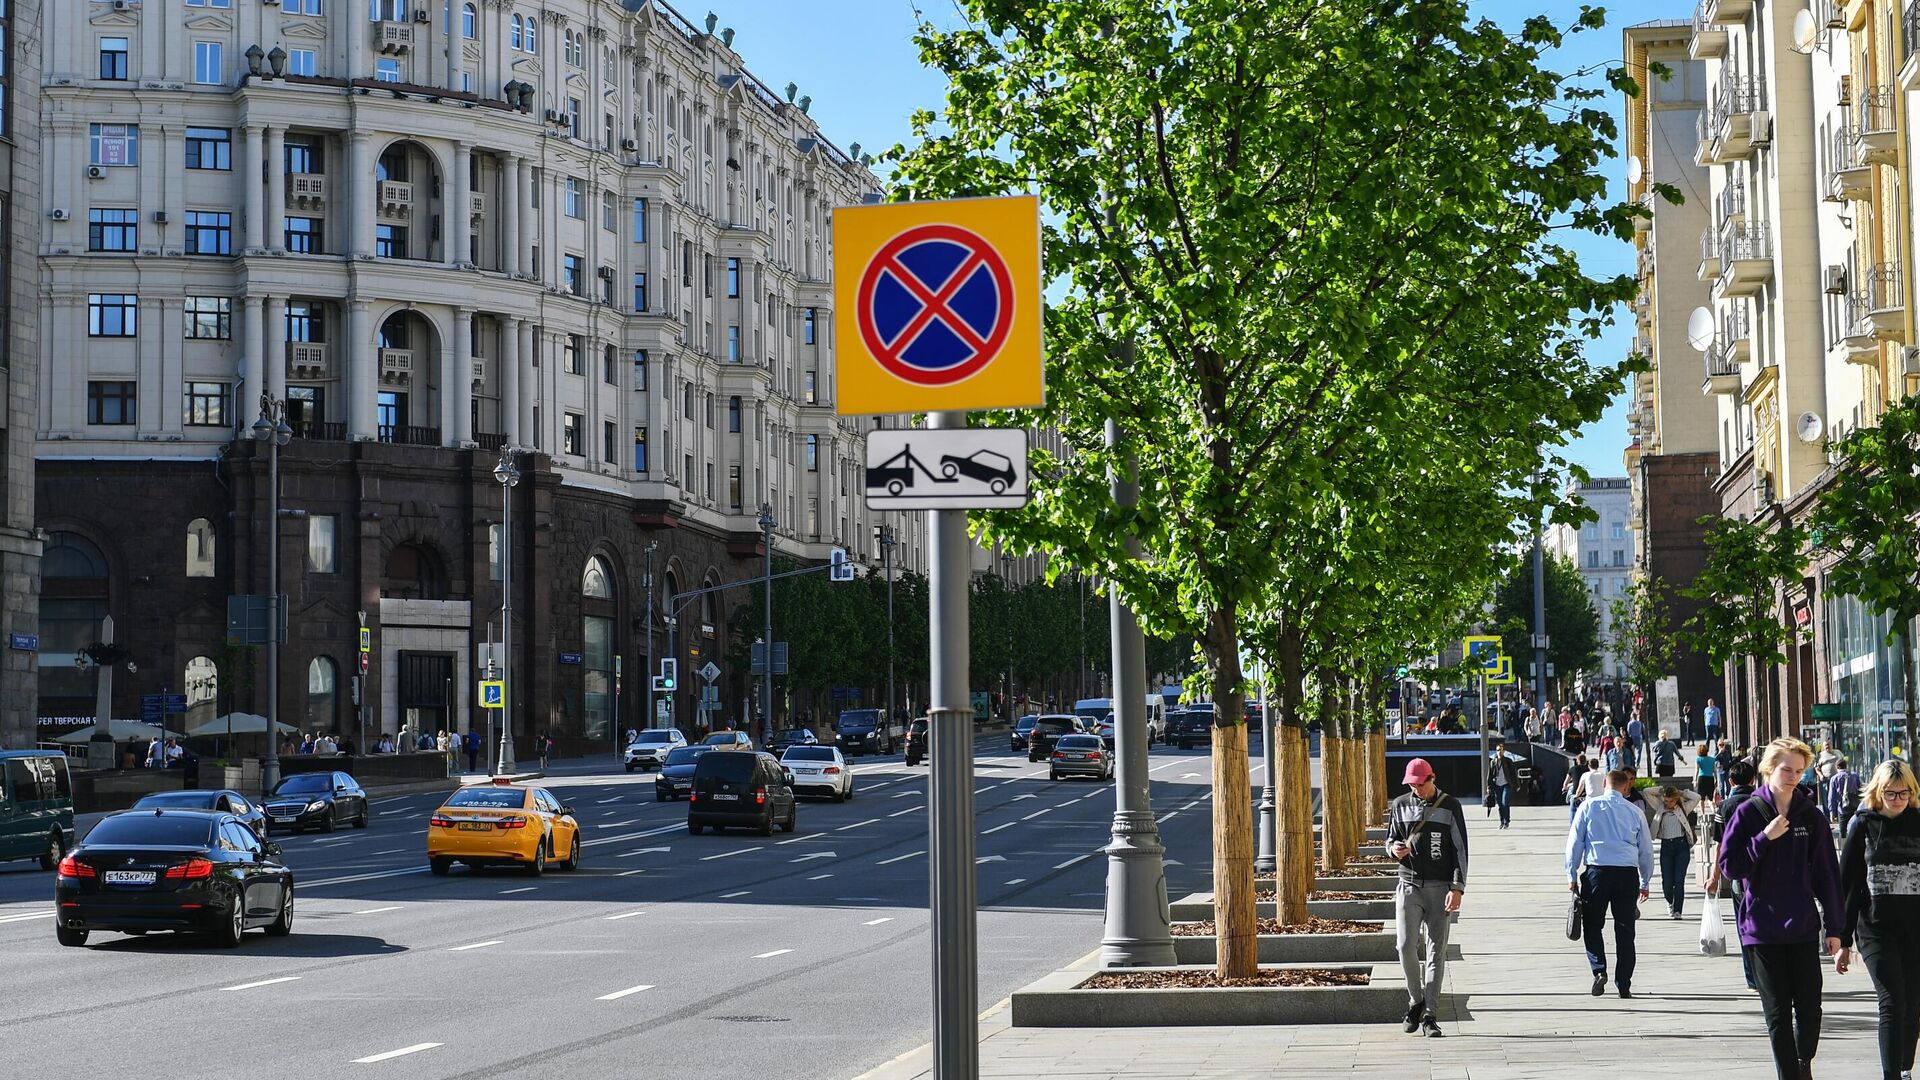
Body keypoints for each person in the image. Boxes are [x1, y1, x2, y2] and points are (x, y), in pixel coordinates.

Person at [1720, 737, 1844, 1080]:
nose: (1793, 777)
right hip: (1761, 929)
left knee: (1810, 1010)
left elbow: (1827, 874)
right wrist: (1763, 838)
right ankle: (1790, 1074)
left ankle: (1803, 1060)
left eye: (1800, 771)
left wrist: (1835, 929)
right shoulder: (1748, 813)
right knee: (1777, 1014)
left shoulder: (1812, 816)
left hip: (1803, 926)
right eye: (1786, 770)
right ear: (1769, 770)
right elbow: (1730, 866)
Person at [1836, 759, 1920, 1080]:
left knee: (1912, 1006)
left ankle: (1904, 1069)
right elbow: (1848, 884)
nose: (1896, 799)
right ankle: (1891, 1076)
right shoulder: (1862, 825)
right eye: (1890, 793)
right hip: (1874, 928)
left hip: (1915, 929)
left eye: (1903, 793)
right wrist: (1842, 940)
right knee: (1892, 1000)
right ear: (1877, 791)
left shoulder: (1918, 821)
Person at [1384, 757, 1467, 1039]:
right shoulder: (1399, 804)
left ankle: (1430, 1013)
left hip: (1439, 887)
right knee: (1405, 945)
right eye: (1412, 785)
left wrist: (1457, 889)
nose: (1416, 789)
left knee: (1436, 951)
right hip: (1407, 885)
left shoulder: (1450, 805)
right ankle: (1415, 1001)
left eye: (1420, 784)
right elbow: (1390, 838)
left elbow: (1460, 850)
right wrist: (1393, 850)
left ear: (1432, 778)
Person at [1566, 768, 1654, 998]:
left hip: (1597, 871)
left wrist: (1571, 874)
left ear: (1604, 783)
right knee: (1625, 929)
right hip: (1627, 873)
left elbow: (1575, 842)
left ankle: (1599, 970)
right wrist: (1645, 881)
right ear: (1626, 787)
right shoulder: (1635, 811)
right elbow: (1645, 849)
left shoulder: (1589, 806)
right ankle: (1624, 983)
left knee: (1593, 924)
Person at [1707, 758, 1762, 992]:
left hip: (1738, 872)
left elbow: (1719, 845)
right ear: (1753, 780)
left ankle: (1752, 978)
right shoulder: (1763, 801)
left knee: (1744, 924)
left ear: (1730, 781)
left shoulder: (1726, 807)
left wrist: (1715, 876)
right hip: (1764, 869)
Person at [1640, 784, 1702, 919]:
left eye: (1672, 801)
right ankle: (1670, 902)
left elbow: (1697, 797)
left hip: (1681, 846)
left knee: (1679, 880)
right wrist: (1662, 790)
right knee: (1667, 881)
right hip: (1666, 846)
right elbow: (1646, 792)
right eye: (1666, 800)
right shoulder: (1660, 807)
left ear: (1677, 799)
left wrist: (1681, 792)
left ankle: (1678, 910)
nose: (1668, 803)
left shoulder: (1683, 808)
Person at [1826, 758, 1861, 831]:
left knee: (1843, 832)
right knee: (1855, 829)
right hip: (1855, 807)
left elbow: (1832, 797)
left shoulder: (1834, 778)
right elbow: (1860, 789)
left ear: (1837, 767)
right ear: (1846, 766)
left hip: (1842, 808)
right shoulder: (1854, 775)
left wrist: (1832, 812)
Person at [1485, 743, 1514, 830]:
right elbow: (1489, 776)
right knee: (1500, 805)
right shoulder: (1493, 762)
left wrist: (1516, 785)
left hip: (1506, 784)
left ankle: (1506, 821)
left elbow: (1513, 773)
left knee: (1505, 803)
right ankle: (1501, 822)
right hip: (1497, 785)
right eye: (1498, 750)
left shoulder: (1508, 761)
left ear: (1503, 751)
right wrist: (1488, 787)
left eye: (1501, 750)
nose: (1499, 752)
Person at [1564, 754, 1594, 821]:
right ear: (1586, 762)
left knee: (1573, 810)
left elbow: (1566, 782)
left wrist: (1565, 787)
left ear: (1577, 761)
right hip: (1585, 793)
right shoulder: (1588, 770)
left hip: (1575, 793)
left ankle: (1572, 826)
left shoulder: (1572, 769)